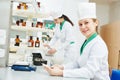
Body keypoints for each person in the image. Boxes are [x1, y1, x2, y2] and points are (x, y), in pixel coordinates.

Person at [44, 3, 110, 80]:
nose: (83, 27)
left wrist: (60, 72)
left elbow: (89, 72)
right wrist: (61, 67)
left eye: (86, 23)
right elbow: (78, 63)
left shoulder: (98, 45)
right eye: (80, 24)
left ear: (96, 23)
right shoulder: (87, 41)